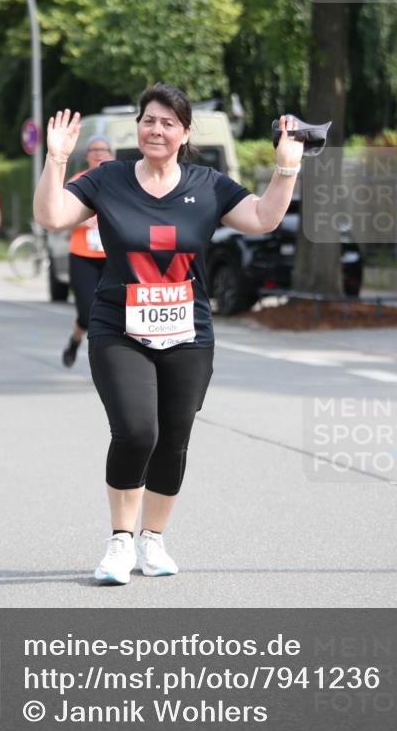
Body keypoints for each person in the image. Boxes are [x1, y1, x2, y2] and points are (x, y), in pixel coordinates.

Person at [33, 82, 303, 585]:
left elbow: (264, 218)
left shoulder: (209, 184)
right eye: (148, 120)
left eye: (167, 123)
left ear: (183, 133)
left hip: (188, 331)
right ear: (138, 127)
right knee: (138, 431)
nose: (156, 129)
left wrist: (287, 166)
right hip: (119, 327)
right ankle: (120, 541)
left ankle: (153, 541)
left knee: (174, 438)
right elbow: (50, 216)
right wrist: (56, 160)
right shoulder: (107, 179)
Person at [61, 135, 114, 367]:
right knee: (86, 312)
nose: (99, 153)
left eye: (103, 149)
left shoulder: (121, 180)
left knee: (113, 312)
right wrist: (82, 220)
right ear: (87, 156)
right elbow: (62, 214)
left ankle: (105, 361)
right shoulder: (78, 180)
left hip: (113, 256)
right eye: (94, 150)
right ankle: (75, 340)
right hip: (83, 254)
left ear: (111, 154)